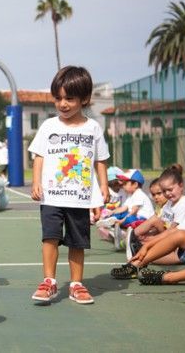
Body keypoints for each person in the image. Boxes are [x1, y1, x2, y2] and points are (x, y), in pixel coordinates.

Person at [28, 66, 110, 305]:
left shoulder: (92, 127)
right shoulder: (49, 126)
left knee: (77, 241)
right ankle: (49, 281)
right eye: (58, 98)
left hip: (80, 197)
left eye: (69, 98)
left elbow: (100, 160)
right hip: (52, 196)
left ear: (84, 99)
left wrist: (103, 186)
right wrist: (36, 182)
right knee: (50, 237)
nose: (62, 104)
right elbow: (39, 156)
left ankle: (76, 284)